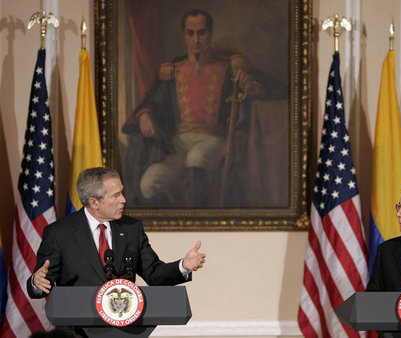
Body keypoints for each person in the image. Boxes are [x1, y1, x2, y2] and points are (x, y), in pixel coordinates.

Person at [122, 8, 269, 208]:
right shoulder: (174, 69)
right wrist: (145, 114)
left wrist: (250, 87)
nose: (196, 39)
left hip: (214, 140)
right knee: (149, 182)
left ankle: (198, 219)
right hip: (178, 144)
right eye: (191, 33)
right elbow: (153, 100)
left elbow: (264, 89)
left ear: (210, 32)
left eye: (202, 32)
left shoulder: (229, 67)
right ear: (184, 35)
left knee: (197, 157)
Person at [27, 167, 206, 298]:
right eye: (115, 196)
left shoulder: (131, 229)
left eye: (122, 193)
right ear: (94, 202)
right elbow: (43, 282)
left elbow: (154, 273)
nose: (123, 200)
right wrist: (36, 282)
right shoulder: (59, 234)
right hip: (79, 328)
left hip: (125, 324)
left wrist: (183, 265)